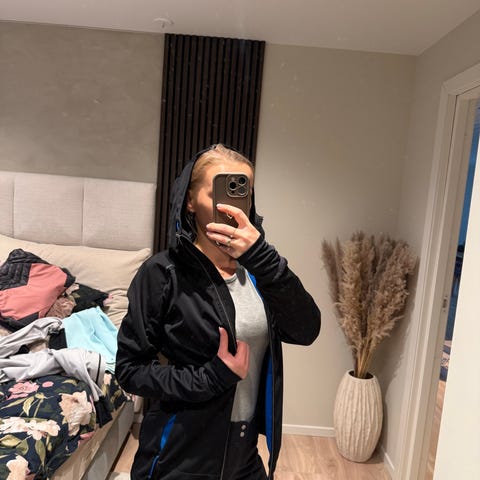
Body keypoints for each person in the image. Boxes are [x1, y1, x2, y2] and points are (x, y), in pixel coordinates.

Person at [115, 144, 321, 480]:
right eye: (218, 193)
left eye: (242, 193)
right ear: (190, 201)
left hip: (243, 454)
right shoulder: (163, 274)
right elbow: (129, 370)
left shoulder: (260, 273)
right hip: (179, 457)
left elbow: (306, 330)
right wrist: (210, 378)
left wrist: (263, 258)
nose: (230, 206)